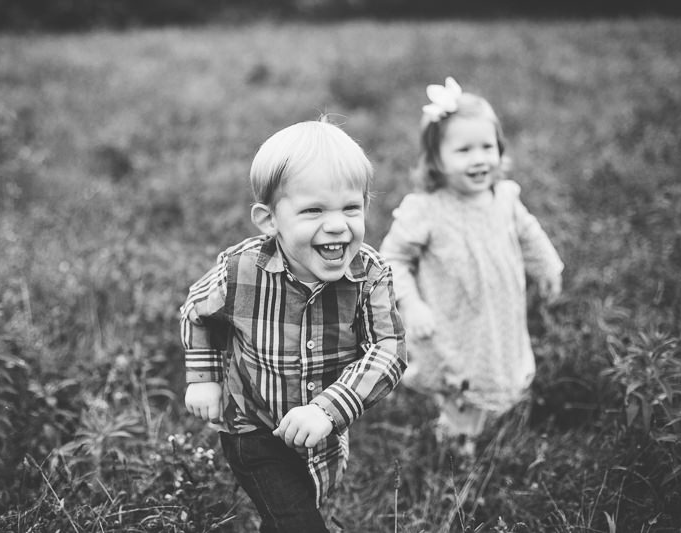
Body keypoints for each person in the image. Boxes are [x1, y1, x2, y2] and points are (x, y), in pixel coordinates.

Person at [180, 117, 407, 532]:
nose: (338, 224)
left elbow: (387, 351)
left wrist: (329, 408)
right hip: (251, 425)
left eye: (351, 208)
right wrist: (203, 378)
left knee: (289, 511)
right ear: (269, 220)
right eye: (314, 210)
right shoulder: (240, 270)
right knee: (296, 520)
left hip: (320, 430)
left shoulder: (369, 275)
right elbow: (197, 311)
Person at [380, 77, 563, 455]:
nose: (479, 158)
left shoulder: (504, 197)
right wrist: (411, 304)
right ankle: (455, 445)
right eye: (464, 150)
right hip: (451, 319)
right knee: (458, 380)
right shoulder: (426, 209)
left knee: (496, 367)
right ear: (435, 159)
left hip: (497, 317)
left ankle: (487, 420)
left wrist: (547, 267)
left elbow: (529, 233)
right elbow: (393, 259)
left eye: (487, 146)